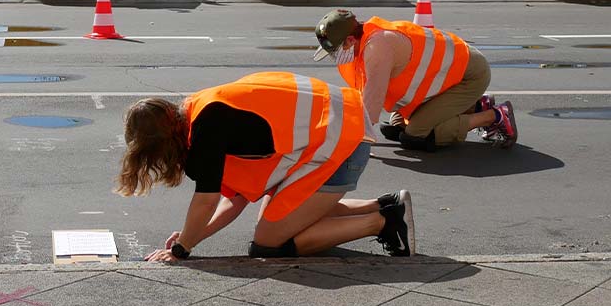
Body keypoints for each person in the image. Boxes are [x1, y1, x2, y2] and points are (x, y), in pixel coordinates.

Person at [117, 71, 415, 262]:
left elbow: (207, 201)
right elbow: (236, 199)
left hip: (343, 141)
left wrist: (182, 249)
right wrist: (189, 236)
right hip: (343, 123)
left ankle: (383, 223)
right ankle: (386, 206)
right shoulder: (200, 109)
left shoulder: (205, 132)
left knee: (269, 243)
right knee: (279, 215)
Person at [312, 9, 517, 152]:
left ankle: (495, 116)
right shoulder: (361, 43)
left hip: (469, 76)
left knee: (416, 135)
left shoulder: (377, 48)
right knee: (396, 126)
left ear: (350, 40)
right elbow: (364, 94)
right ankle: (475, 105)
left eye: (334, 51)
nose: (334, 57)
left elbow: (371, 103)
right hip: (447, 78)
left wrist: (351, 143)